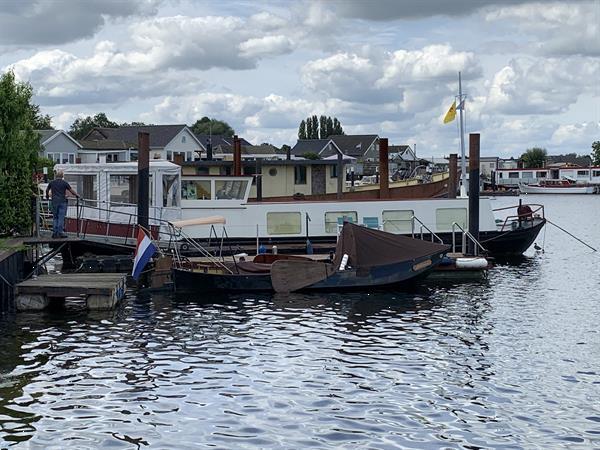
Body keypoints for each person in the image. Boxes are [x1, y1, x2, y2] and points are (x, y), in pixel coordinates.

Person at [45, 171, 79, 238]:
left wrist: (47, 196)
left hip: (54, 202)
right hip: (62, 202)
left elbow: (47, 190)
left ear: (56, 176)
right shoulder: (64, 183)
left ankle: (55, 233)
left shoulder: (52, 182)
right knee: (61, 217)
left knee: (55, 217)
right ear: (62, 176)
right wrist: (77, 195)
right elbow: (71, 190)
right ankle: (60, 232)